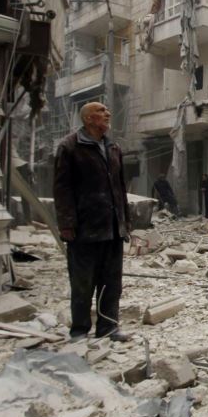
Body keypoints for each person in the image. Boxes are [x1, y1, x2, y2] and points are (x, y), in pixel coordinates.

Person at [53, 101, 132, 343]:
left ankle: (108, 327)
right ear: (88, 119)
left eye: (107, 110)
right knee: (82, 282)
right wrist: (67, 224)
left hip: (112, 227)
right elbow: (62, 188)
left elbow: (120, 188)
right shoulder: (70, 147)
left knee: (111, 282)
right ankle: (79, 329)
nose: (108, 113)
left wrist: (125, 222)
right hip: (85, 228)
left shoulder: (113, 147)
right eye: (101, 111)